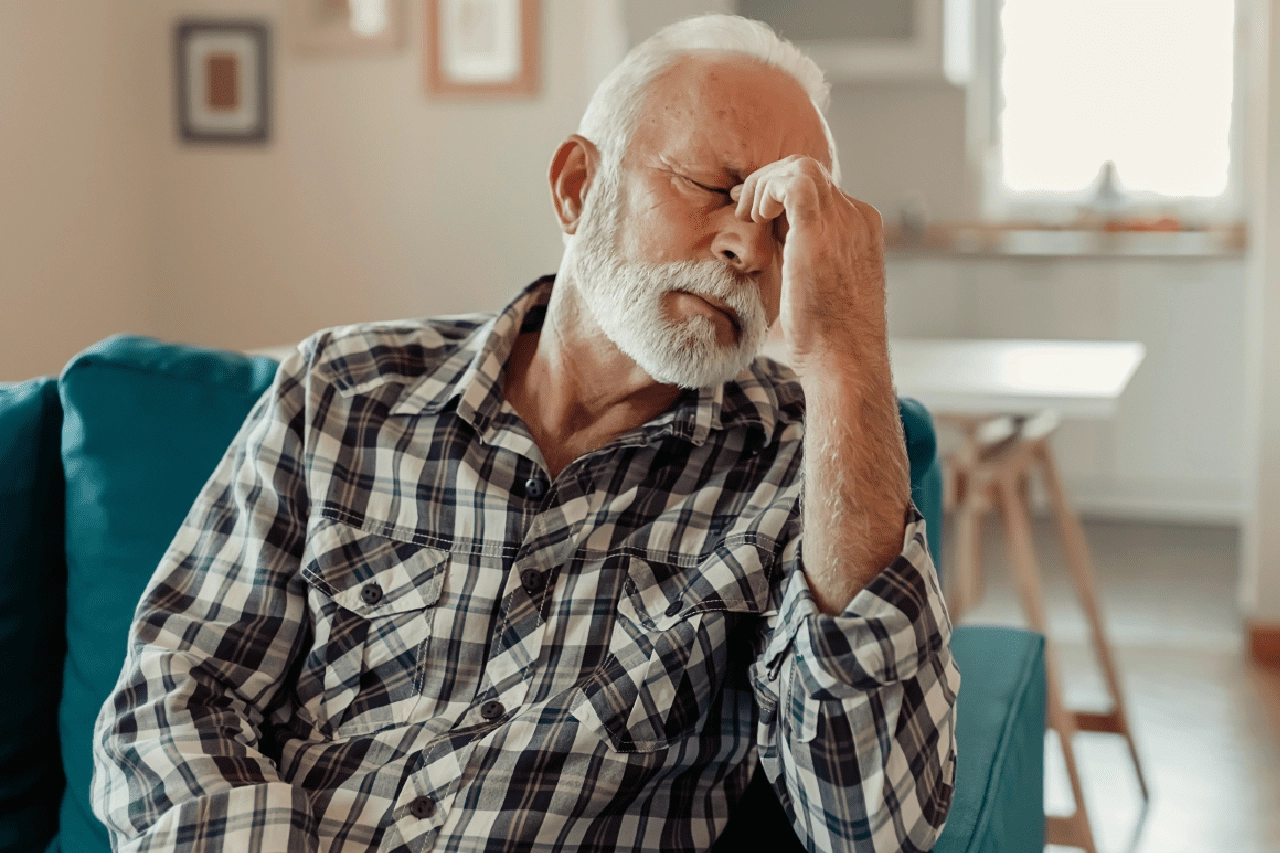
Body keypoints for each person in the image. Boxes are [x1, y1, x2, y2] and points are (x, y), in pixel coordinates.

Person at [92, 13, 958, 853]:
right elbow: (176, 693)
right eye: (715, 187)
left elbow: (875, 821)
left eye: (782, 228)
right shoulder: (342, 390)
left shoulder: (797, 469)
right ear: (578, 187)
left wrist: (849, 353)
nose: (747, 247)